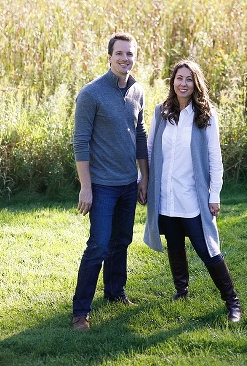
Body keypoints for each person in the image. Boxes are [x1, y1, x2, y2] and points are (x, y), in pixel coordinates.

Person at [143, 60, 241, 322]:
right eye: (178, 78)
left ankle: (232, 301)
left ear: (196, 84)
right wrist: (145, 182)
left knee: (207, 248)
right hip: (166, 194)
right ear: (172, 82)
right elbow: (150, 151)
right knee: (174, 244)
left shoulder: (205, 116)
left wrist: (215, 194)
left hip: (192, 197)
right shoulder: (160, 112)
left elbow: (214, 158)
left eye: (188, 79)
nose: (183, 84)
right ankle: (181, 290)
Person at [71, 32, 149, 331]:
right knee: (99, 246)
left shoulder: (137, 90)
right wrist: (86, 187)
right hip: (102, 186)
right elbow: (80, 142)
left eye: (130, 54)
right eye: (120, 53)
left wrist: (144, 176)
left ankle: (116, 293)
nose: (125, 58)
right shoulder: (90, 94)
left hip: (129, 183)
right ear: (109, 57)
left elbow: (140, 134)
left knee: (122, 242)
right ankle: (80, 312)